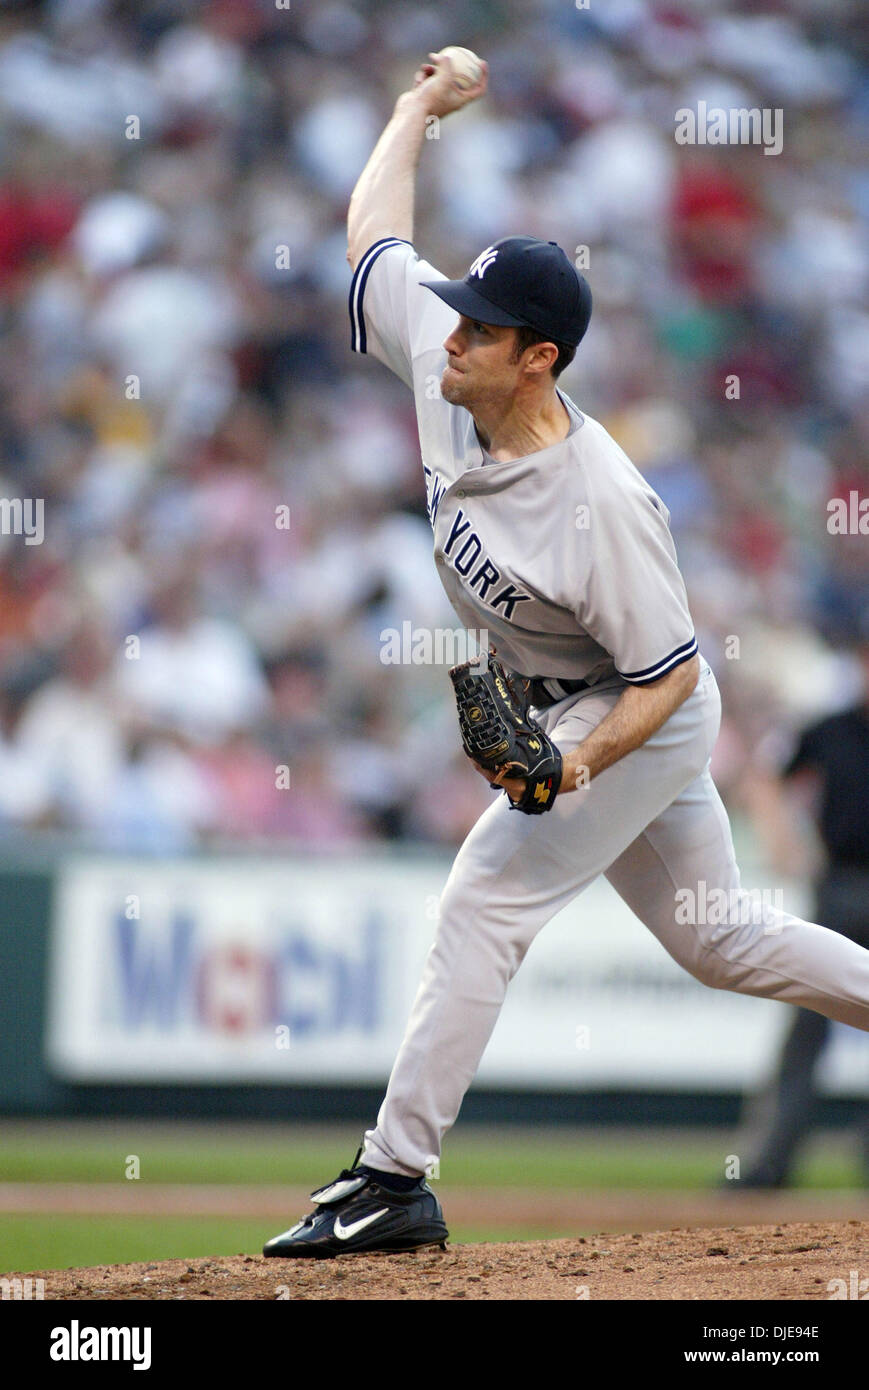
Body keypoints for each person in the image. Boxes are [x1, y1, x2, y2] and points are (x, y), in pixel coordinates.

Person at [263, 52, 869, 1258]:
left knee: (483, 896)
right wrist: (414, 110)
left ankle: (392, 1176)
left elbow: (670, 675)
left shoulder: (602, 503)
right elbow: (371, 238)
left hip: (636, 708)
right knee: (720, 941)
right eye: (456, 313)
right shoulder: (449, 360)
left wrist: (573, 763)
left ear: (536, 356)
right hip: (573, 697)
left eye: (479, 327)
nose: (449, 334)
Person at [729, 634, 869, 1188]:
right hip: (840, 887)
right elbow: (766, 777)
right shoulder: (830, 729)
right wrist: (782, 841)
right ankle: (769, 1164)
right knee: (807, 1025)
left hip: (843, 889)